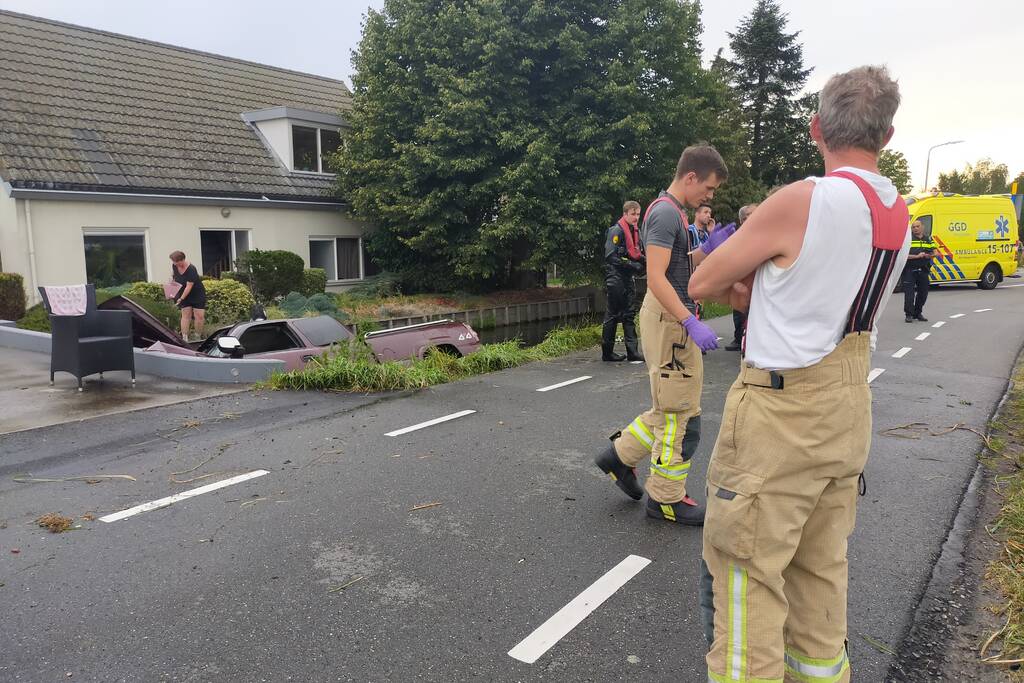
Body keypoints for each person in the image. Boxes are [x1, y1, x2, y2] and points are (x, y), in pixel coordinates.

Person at [688, 65, 909, 682]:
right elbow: (821, 293)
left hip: (780, 412)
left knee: (746, 575)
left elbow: (703, 280)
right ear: (887, 136)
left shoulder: (802, 199)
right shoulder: (899, 215)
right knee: (819, 570)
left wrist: (753, 280)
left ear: (816, 127)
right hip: (846, 408)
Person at [594, 144, 727, 526]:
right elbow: (655, 277)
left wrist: (709, 249)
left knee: (668, 409)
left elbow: (675, 267)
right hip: (671, 324)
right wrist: (689, 321)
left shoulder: (669, 211)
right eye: (710, 188)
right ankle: (666, 499)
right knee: (682, 417)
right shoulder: (668, 213)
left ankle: (618, 457)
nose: (710, 196)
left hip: (668, 320)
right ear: (691, 177)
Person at [602, 201, 645, 361]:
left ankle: (633, 352)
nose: (636, 217)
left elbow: (634, 252)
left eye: (638, 214)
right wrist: (631, 264)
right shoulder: (616, 231)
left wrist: (644, 262)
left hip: (627, 277)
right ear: (625, 214)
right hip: (615, 277)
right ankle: (607, 352)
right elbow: (610, 256)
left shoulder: (635, 232)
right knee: (612, 315)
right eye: (633, 214)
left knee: (629, 314)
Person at [724, 203, 759, 352]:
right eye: (748, 216)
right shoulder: (736, 237)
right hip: (740, 279)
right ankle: (739, 339)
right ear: (742, 220)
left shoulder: (766, 233)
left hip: (758, 280)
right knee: (739, 311)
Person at [903, 219, 935, 322]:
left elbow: (935, 253)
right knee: (909, 294)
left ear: (922, 227)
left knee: (923, 293)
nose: (915, 229)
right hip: (910, 270)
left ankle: (918, 313)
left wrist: (928, 255)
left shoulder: (928, 239)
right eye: (913, 227)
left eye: (917, 226)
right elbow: (903, 256)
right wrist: (917, 256)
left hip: (923, 270)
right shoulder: (908, 239)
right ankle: (909, 314)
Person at [169, 251, 207, 341]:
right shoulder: (175, 266)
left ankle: (197, 337)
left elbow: (189, 286)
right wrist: (172, 291)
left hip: (197, 294)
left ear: (182, 260)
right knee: (185, 315)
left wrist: (181, 298)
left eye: (176, 262)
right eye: (173, 261)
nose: (174, 263)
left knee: (199, 316)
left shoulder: (191, 269)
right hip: (183, 293)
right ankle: (184, 338)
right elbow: (174, 278)